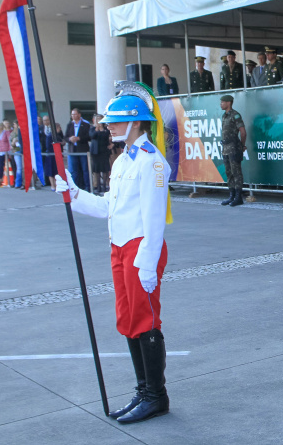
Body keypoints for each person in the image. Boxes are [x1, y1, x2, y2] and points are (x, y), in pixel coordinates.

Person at [54, 81, 173, 425]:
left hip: (140, 247)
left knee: (145, 319)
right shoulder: (122, 160)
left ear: (135, 121)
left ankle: (156, 396)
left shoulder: (151, 163)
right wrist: (74, 194)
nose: (108, 126)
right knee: (128, 318)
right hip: (119, 246)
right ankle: (143, 390)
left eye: (115, 121)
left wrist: (147, 262)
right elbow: (110, 206)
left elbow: (154, 219)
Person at [219, 95, 247, 207]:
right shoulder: (224, 116)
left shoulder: (235, 115)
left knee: (236, 172)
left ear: (228, 103)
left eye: (222, 102)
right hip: (225, 148)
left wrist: (242, 145)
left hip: (234, 148)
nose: (221, 104)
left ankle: (238, 197)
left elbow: (243, 132)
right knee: (228, 172)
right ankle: (232, 195)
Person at [65, 108, 91, 191]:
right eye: (72, 114)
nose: (73, 116)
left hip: (83, 150)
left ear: (79, 115)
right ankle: (76, 186)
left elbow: (89, 137)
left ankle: (87, 186)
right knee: (74, 170)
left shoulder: (85, 124)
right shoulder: (70, 125)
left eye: (75, 114)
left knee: (85, 169)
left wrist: (79, 138)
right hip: (73, 150)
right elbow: (65, 137)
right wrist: (70, 139)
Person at [90, 115, 113, 194]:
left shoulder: (106, 129)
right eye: (97, 120)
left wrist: (112, 144)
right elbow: (92, 136)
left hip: (104, 151)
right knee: (97, 170)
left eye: (100, 120)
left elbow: (107, 136)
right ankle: (98, 186)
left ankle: (104, 186)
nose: (99, 122)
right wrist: (97, 129)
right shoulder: (93, 128)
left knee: (105, 169)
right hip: (96, 152)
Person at [39, 115, 62, 190]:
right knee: (48, 168)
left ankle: (55, 184)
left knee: (55, 169)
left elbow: (61, 139)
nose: (45, 122)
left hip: (55, 153)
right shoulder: (41, 128)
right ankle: (47, 182)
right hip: (46, 151)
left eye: (47, 120)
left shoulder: (56, 132)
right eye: (44, 120)